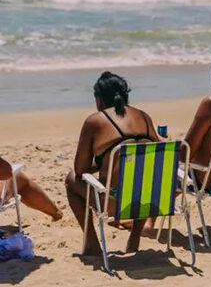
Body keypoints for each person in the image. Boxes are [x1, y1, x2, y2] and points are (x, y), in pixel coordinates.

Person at [64, 72, 161, 256]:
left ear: (99, 100)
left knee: (71, 179)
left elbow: (80, 170)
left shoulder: (95, 121)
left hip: (114, 205)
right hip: (152, 201)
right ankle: (134, 239)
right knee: (142, 177)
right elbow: (155, 158)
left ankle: (92, 243)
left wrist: (101, 162)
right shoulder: (144, 117)